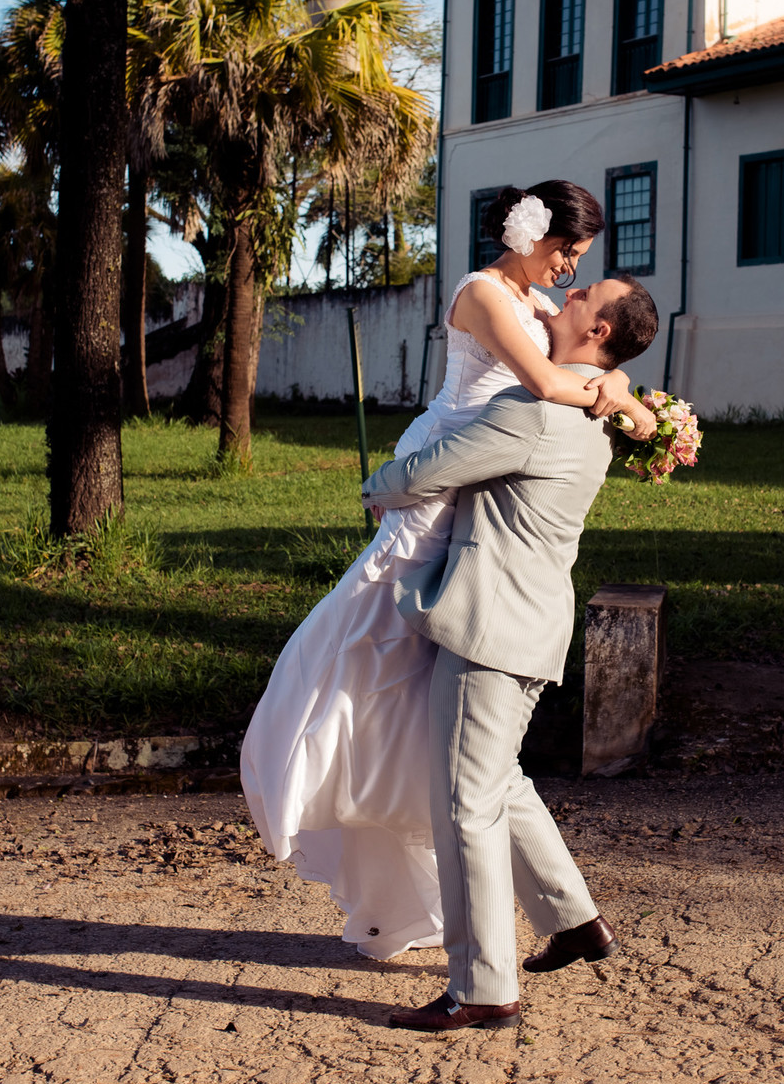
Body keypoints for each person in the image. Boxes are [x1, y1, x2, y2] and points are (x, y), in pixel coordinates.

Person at [240, 181, 656, 960]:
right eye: (568, 251)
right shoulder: (484, 294)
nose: (570, 270)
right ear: (532, 232)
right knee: (369, 655)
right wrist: (623, 400)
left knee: (469, 754)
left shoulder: (541, 307)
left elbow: (584, 358)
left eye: (580, 262)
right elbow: (547, 383)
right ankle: (325, 770)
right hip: (437, 487)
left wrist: (620, 383)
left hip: (479, 499)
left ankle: (553, 926)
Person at [360, 273, 660, 1032]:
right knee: (497, 781)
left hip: (491, 629)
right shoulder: (594, 411)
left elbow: (430, 471)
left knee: (466, 804)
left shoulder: (534, 412)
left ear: (597, 332)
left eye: (585, 294)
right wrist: (621, 391)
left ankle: (483, 987)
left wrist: (375, 485)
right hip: (531, 622)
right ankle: (575, 921)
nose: (569, 292)